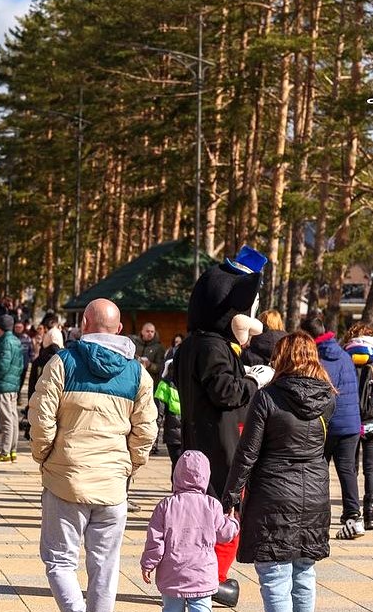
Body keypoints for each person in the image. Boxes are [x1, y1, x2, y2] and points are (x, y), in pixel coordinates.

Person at [28, 298, 156, 612]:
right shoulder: (137, 373)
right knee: (105, 567)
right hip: (113, 485)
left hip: (66, 478)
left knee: (60, 561)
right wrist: (129, 466)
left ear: (84, 324)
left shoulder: (62, 363)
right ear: (120, 329)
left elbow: (41, 418)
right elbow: (146, 431)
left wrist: (44, 457)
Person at [171, 245, 272, 607]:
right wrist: (252, 381)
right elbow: (225, 392)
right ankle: (212, 578)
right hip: (220, 444)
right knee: (226, 512)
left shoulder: (191, 345)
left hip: (198, 441)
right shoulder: (213, 346)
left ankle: (200, 576)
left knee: (201, 514)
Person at [222, 331, 336, 612]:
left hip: (273, 496)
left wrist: (231, 495)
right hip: (315, 496)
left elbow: (247, 452)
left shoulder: (267, 397)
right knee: (304, 573)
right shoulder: (328, 399)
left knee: (275, 576)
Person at [141, 450, 240, 612]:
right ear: (206, 476)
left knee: (171, 608)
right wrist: (233, 522)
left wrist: (148, 564)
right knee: (201, 608)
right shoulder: (212, 505)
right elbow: (225, 534)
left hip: (172, 574)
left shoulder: (165, 506)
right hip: (202, 573)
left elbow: (155, 542)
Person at [300, 314, 364, 539]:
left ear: (308, 336)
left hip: (327, 424)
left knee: (319, 470)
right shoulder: (344, 355)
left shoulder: (316, 358)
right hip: (351, 424)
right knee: (347, 471)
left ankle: (318, 514)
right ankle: (352, 515)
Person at [344, 322, 373, 530]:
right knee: (371, 469)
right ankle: (371, 513)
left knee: (349, 468)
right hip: (372, 421)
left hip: (350, 420)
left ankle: (351, 512)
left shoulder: (345, 357)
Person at [0, 315, 25, 463]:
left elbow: (2, 366)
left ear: (0, 328)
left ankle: (5, 452)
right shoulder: (16, 341)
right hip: (13, 385)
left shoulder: (5, 343)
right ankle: (12, 450)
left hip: (3, 386)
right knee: (13, 418)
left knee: (6, 420)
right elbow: (21, 364)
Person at [131, 322, 165, 386]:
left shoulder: (159, 348)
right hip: (134, 378)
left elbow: (160, 367)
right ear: (142, 332)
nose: (150, 333)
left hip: (149, 381)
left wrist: (149, 365)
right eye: (147, 331)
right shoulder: (135, 344)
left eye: (152, 331)